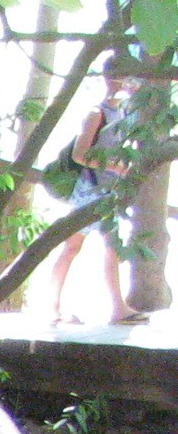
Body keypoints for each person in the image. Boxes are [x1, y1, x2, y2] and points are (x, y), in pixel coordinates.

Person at [52, 59, 148, 326]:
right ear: (111, 79)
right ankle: (54, 307)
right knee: (73, 247)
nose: (130, 83)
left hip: (108, 190)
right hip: (90, 190)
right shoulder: (97, 113)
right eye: (125, 77)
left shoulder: (124, 113)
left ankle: (117, 307)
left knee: (109, 247)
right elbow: (80, 154)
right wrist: (115, 167)